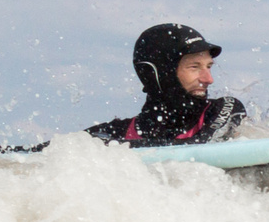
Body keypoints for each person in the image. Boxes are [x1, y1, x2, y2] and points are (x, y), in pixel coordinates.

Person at [85, 23, 246, 147]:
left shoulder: (225, 109)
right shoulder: (115, 132)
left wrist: (115, 148)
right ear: (158, 74)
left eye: (208, 66)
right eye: (194, 67)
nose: (208, 79)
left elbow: (204, 145)